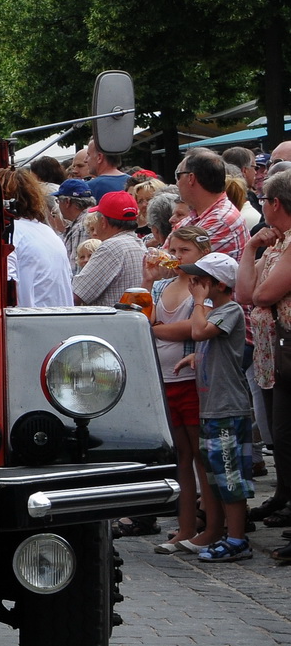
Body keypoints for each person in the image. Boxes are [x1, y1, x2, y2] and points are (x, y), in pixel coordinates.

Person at [172, 253, 255, 562]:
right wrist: (196, 357)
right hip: (213, 409)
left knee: (230, 475)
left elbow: (199, 332)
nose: (194, 284)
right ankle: (224, 533)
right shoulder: (218, 311)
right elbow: (211, 345)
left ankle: (237, 539)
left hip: (227, 409)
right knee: (218, 474)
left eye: (200, 280)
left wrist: (197, 302)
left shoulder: (230, 310)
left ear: (219, 284)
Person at [137, 226, 214, 550]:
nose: (178, 256)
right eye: (176, 250)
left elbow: (191, 329)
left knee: (200, 455)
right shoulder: (164, 287)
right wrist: (148, 281)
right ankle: (184, 528)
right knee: (181, 456)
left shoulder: (203, 289)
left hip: (190, 382)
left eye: (186, 251)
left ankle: (211, 524)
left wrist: (157, 329)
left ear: (201, 255)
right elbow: (139, 316)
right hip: (163, 379)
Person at [237, 169, 291, 543]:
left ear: (275, 204)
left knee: (286, 431)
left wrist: (258, 290)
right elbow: (244, 291)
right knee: (277, 429)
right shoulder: (276, 243)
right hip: (272, 353)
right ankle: (285, 495)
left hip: (286, 350)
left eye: (264, 200)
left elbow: (264, 294)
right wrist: (249, 248)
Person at [0, 169, 72, 308]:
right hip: (56, 321)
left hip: (28, 323)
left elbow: (7, 284)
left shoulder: (11, 234)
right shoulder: (47, 232)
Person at [72, 191, 147, 308]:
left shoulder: (111, 247)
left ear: (103, 222)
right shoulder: (139, 243)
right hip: (131, 322)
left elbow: (75, 295)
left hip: (110, 324)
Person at [174, 148, 247, 261]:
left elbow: (173, 265)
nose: (177, 183)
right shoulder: (199, 214)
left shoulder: (220, 220)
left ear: (191, 178)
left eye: (178, 176)